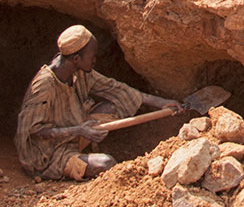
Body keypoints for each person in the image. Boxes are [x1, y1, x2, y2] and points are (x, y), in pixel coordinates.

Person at [15, 24, 179, 180]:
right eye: (92, 56)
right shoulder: (44, 85)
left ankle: (81, 148)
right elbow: (34, 131)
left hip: (74, 134)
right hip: (47, 154)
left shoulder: (79, 71)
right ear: (77, 58)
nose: (95, 60)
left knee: (112, 106)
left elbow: (117, 89)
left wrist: (162, 102)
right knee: (106, 163)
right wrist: (78, 130)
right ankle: (71, 163)